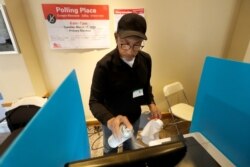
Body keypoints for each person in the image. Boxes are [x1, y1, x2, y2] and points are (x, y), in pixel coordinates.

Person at [89, 13, 161, 155]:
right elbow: (94, 101)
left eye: (136, 45)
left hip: (134, 117)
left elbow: (146, 85)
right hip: (112, 120)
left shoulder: (146, 60)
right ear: (116, 38)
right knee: (111, 151)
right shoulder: (104, 66)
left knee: (130, 148)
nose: (130, 51)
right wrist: (110, 120)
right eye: (125, 44)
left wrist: (151, 102)